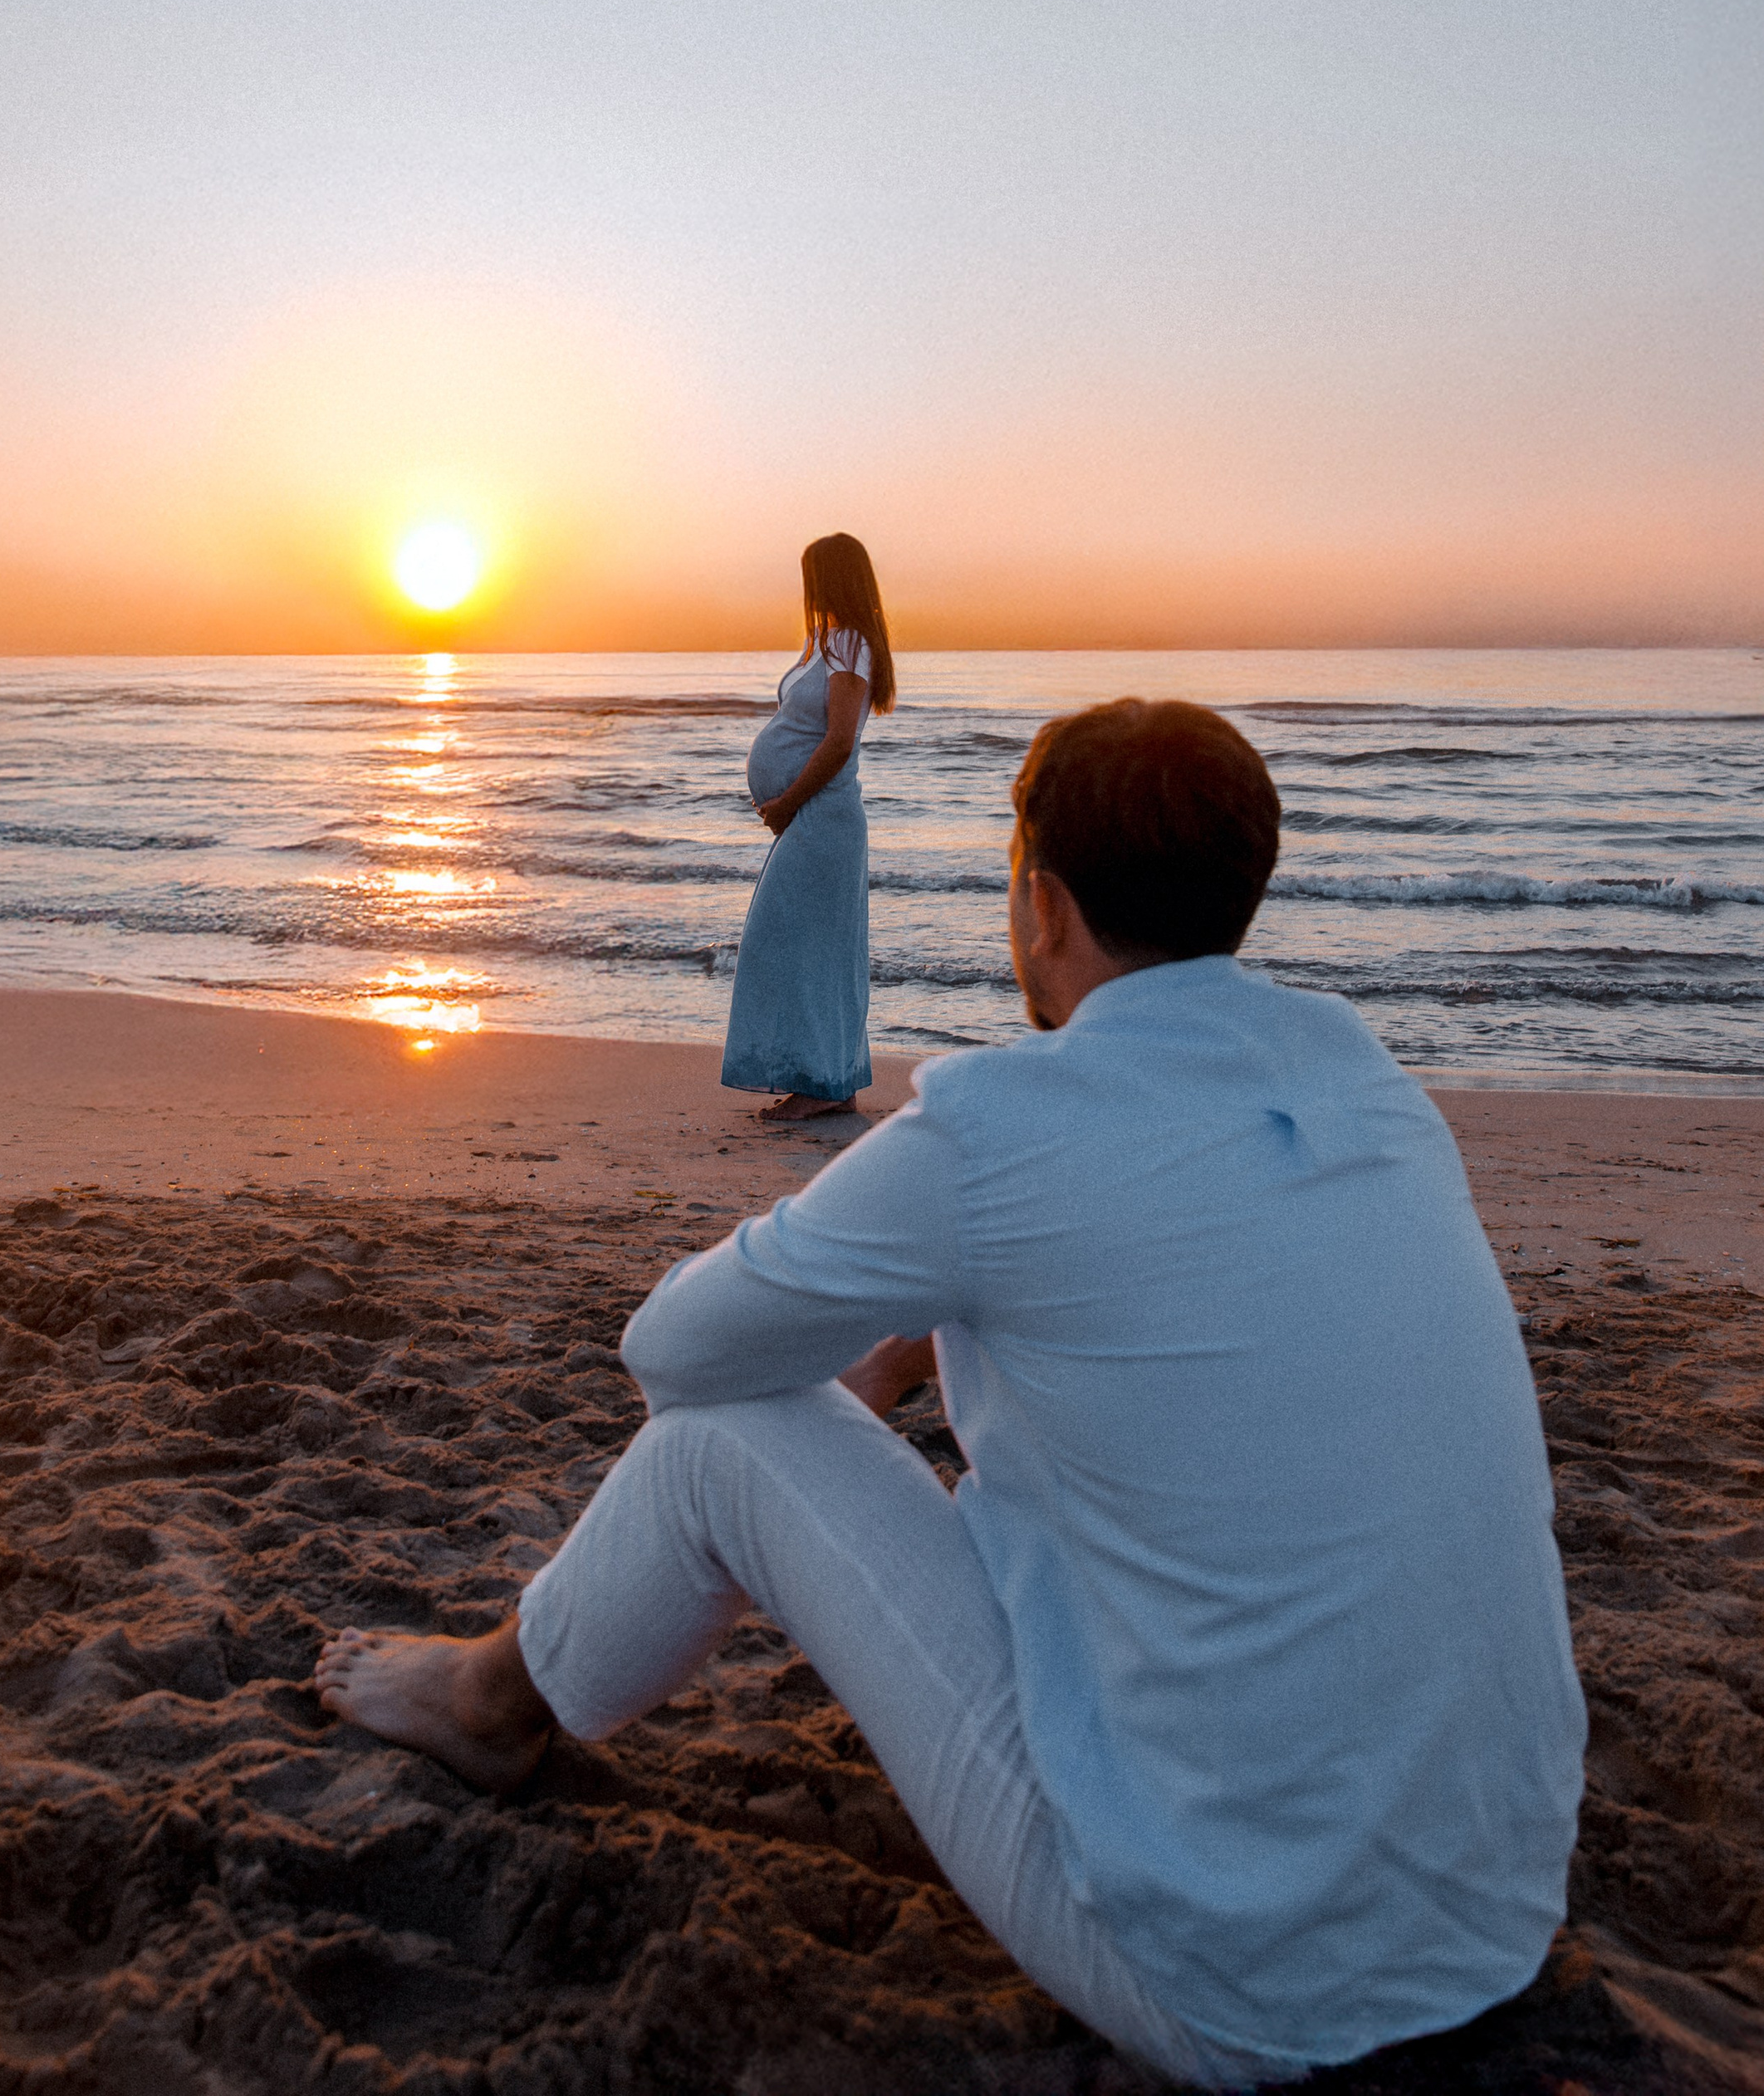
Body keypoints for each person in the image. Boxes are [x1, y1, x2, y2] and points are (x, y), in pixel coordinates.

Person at [312, 698, 1585, 2087]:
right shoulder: (1368, 1089)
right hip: (1491, 1920)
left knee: (718, 1444)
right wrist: (928, 1331)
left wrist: (898, 1310)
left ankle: (492, 1701)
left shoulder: (1005, 1125)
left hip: (1231, 1981)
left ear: (1043, 903)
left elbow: (674, 1353)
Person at [718, 531, 896, 1125]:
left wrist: (788, 801)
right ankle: (828, 1080)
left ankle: (822, 1085)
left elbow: (840, 741)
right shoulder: (826, 641)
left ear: (833, 578)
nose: (807, 587)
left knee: (793, 943)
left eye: (814, 575)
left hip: (824, 814)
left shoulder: (849, 643)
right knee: (811, 946)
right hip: (812, 815)